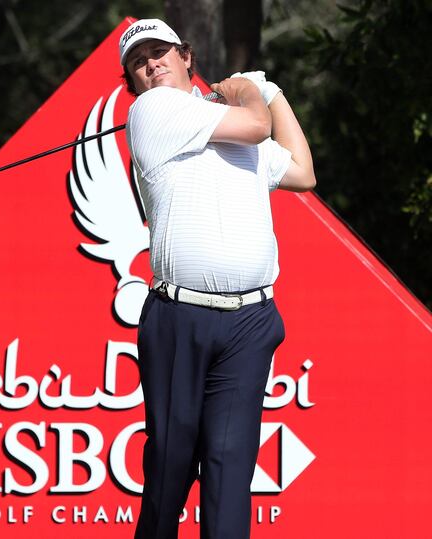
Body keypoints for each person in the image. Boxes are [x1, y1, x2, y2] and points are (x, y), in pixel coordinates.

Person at [119, 18, 316, 539]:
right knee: (172, 462)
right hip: (180, 317)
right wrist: (252, 89)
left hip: (250, 321)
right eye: (139, 62)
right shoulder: (152, 110)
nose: (152, 64)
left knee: (230, 466)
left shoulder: (229, 124)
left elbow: (301, 171)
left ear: (187, 58)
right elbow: (255, 125)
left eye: (160, 53)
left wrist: (273, 93)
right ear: (133, 82)